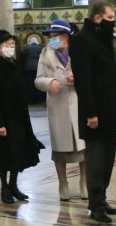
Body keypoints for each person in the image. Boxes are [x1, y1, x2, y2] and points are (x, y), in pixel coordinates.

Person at [69, 1, 116, 223]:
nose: (113, 22)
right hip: (95, 113)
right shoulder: (82, 41)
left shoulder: (103, 39)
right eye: (110, 18)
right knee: (96, 158)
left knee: (108, 158)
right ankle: (95, 205)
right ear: (97, 18)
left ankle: (102, 198)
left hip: (110, 109)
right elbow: (83, 81)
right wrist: (90, 113)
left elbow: (111, 76)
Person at [0, 30, 41, 203]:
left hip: (17, 116)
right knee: (2, 154)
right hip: (0, 117)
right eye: (8, 44)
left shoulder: (12, 62)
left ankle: (14, 185)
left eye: (13, 44)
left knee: (16, 153)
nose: (11, 46)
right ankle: (4, 188)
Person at [34, 20, 86, 201]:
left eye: (57, 36)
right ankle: (63, 183)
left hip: (77, 102)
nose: (53, 40)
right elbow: (38, 79)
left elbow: (90, 75)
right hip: (58, 105)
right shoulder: (45, 54)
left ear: (66, 36)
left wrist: (78, 77)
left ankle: (84, 182)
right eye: (51, 37)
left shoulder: (78, 52)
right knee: (60, 149)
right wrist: (50, 83)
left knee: (82, 147)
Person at [22, 35, 43, 105]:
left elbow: (23, 57)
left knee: (29, 84)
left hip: (28, 67)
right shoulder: (40, 48)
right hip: (38, 66)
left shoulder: (27, 48)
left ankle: (30, 100)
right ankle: (38, 99)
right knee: (38, 83)